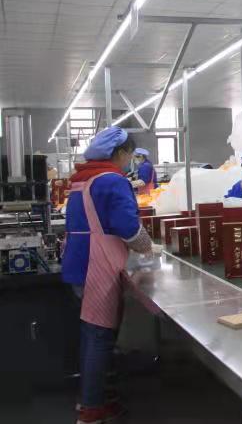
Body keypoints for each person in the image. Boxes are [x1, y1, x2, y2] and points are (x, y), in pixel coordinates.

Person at [61, 127, 154, 423]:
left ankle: (94, 398)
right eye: (130, 154)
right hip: (97, 265)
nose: (130, 160)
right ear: (120, 153)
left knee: (91, 335)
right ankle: (92, 410)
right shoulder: (111, 180)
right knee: (100, 337)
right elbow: (127, 226)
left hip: (78, 263)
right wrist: (148, 247)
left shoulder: (82, 179)